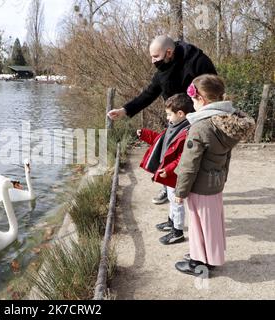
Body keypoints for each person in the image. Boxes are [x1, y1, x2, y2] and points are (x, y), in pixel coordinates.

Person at [107, 35, 217, 205]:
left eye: (155, 57)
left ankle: (199, 189)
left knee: (195, 156)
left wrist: (209, 114)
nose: (152, 61)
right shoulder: (162, 70)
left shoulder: (198, 61)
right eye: (151, 57)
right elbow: (149, 93)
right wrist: (125, 110)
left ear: (169, 52)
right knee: (169, 154)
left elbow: (213, 88)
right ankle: (168, 188)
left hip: (198, 118)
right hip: (175, 118)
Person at [173, 74, 255, 276]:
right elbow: (226, 156)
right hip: (216, 182)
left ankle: (197, 263)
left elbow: (189, 164)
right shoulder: (226, 124)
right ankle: (211, 258)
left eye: (193, 100)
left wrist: (180, 190)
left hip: (200, 186)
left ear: (201, 99)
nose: (192, 104)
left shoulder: (201, 127)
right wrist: (223, 178)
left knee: (197, 225)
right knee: (212, 224)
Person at [137, 94, 194, 245]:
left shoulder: (186, 133)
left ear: (180, 113)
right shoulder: (173, 127)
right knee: (171, 199)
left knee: (176, 202)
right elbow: (159, 142)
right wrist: (144, 134)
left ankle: (178, 231)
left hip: (175, 175)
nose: (167, 118)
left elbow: (183, 158)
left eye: (169, 114)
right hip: (168, 173)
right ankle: (171, 222)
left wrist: (168, 169)